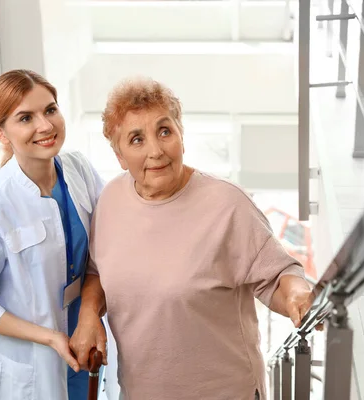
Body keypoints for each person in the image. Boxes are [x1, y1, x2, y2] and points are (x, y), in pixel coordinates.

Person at [70, 77, 317, 400]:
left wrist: (298, 295)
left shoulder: (227, 205)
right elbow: (98, 272)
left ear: (181, 135)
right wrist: (88, 314)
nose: (156, 151)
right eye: (136, 139)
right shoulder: (111, 201)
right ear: (119, 156)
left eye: (164, 131)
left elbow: (280, 275)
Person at [0, 69, 109, 400]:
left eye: (50, 109)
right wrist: (50, 337)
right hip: (28, 369)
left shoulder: (79, 169)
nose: (45, 125)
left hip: (83, 349)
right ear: (0, 132)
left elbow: (102, 254)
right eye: (26, 118)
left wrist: (88, 314)